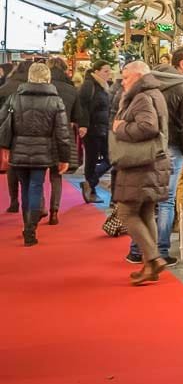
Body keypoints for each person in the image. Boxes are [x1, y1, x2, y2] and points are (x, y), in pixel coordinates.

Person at [126, 47, 183, 266]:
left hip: (146, 147)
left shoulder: (147, 82)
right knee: (166, 201)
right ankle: (162, 250)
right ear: (182, 65)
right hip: (172, 148)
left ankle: (137, 250)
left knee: (145, 198)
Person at [112, 61, 171, 284]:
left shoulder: (142, 96)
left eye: (126, 77)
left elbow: (148, 127)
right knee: (146, 211)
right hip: (153, 161)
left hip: (141, 163)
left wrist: (120, 128)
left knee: (126, 211)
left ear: (137, 76)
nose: (122, 81)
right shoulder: (154, 92)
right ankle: (149, 265)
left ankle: (154, 259)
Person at [8, 63, 70, 246]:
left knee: (25, 187)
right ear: (48, 78)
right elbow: (62, 132)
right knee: (36, 186)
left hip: (18, 148)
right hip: (43, 151)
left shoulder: (14, 98)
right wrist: (64, 157)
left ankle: (27, 223)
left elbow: (5, 124)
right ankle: (30, 228)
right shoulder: (55, 101)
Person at [45, 58, 79, 224]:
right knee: (56, 174)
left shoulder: (45, 86)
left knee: (36, 175)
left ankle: (39, 207)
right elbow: (76, 115)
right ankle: (54, 210)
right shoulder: (70, 88)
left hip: (41, 134)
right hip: (63, 134)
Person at [76, 61, 113, 204]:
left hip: (102, 127)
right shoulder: (89, 85)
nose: (108, 74)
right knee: (91, 160)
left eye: (109, 71)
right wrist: (84, 125)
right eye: (105, 71)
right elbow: (83, 106)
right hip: (92, 129)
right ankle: (91, 190)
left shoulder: (103, 86)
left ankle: (89, 183)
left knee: (110, 158)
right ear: (96, 71)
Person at [0, 61, 32, 213]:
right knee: (34, 168)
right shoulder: (33, 87)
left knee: (12, 166)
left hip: (9, 133)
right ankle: (36, 202)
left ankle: (14, 201)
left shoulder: (6, 87)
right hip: (32, 132)